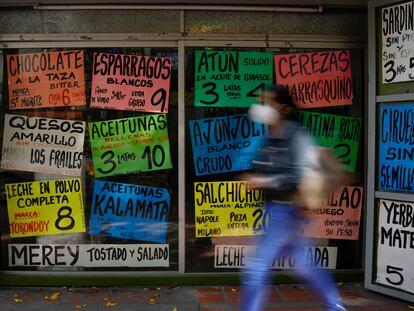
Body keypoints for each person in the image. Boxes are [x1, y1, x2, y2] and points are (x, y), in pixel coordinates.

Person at [240, 85, 347, 311]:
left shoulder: (297, 136)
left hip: (286, 211)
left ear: (283, 108)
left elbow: (300, 174)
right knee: (303, 263)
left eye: (268, 103)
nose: (262, 108)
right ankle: (335, 306)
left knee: (256, 267)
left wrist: (263, 182)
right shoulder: (271, 135)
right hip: (275, 210)